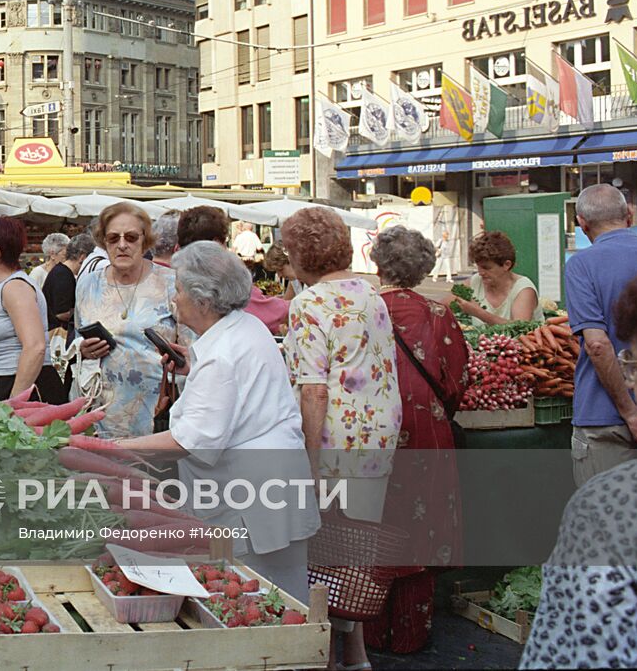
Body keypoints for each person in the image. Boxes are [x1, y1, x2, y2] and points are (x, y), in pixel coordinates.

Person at [116, 242, 320, 599]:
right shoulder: (247, 326)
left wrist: (111, 448)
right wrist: (192, 368)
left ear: (204, 301)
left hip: (250, 498)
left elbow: (187, 441)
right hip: (272, 485)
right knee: (288, 596)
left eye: (178, 290)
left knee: (258, 597)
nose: (174, 298)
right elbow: (241, 386)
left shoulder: (221, 356)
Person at [281, 206, 402, 671]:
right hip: (376, 436)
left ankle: (327, 658)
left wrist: (309, 462)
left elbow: (313, 390)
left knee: (322, 558)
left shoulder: (310, 303)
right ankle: (357, 655)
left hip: (334, 441)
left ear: (302, 253)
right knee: (354, 554)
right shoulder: (370, 294)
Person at [519, 270, 637, 670]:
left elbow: (574, 651)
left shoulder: (610, 506)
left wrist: (626, 410)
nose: (633, 379)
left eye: (635, 365)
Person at [365, 226, 468, 654]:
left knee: (373, 526)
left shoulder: (361, 311)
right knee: (422, 528)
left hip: (370, 431)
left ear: (378, 264)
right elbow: (458, 377)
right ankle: (410, 637)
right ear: (424, 267)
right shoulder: (438, 314)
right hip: (427, 429)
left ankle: (368, 633)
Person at [74, 202, 179, 438]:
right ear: (104, 242)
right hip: (99, 412)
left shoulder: (170, 283)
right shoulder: (88, 284)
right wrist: (84, 349)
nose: (122, 245)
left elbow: (191, 352)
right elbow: (78, 337)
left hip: (156, 413)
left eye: (131, 237)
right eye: (113, 238)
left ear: (145, 240)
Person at [562, 184, 637, 485]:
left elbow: (597, 344)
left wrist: (630, 411)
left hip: (603, 417)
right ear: (629, 216)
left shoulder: (581, 265)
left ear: (582, 224)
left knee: (604, 525)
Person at [0, 215, 64, 402]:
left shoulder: (15, 288)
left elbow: (35, 347)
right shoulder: (1, 286)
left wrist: (14, 403)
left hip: (26, 391)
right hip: (9, 385)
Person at [177, 206, 289, 334]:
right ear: (216, 244)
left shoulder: (175, 275)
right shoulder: (224, 280)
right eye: (224, 242)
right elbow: (271, 311)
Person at [457, 230, 541, 324]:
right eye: (478, 267)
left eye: (486, 268)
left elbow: (519, 328)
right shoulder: (475, 281)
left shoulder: (523, 290)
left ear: (506, 265)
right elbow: (443, 305)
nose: (480, 272)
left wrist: (479, 313)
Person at [43, 233, 90, 334]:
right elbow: (62, 313)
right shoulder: (63, 275)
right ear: (82, 257)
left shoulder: (61, 271)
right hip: (57, 333)